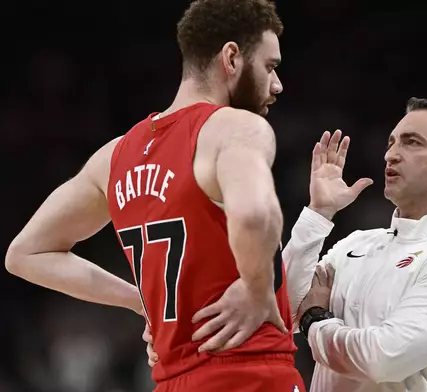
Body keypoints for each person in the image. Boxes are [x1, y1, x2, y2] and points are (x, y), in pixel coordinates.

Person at [5, 0, 307, 391]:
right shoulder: (234, 128)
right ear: (231, 57)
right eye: (270, 66)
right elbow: (254, 214)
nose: (277, 84)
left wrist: (141, 302)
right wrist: (256, 287)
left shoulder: (114, 157)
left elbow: (25, 254)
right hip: (248, 374)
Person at [287, 98, 427, 392]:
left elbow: (383, 359)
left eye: (412, 143)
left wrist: (315, 321)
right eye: (391, 142)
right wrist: (318, 214)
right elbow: (279, 310)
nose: (391, 155)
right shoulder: (357, 244)